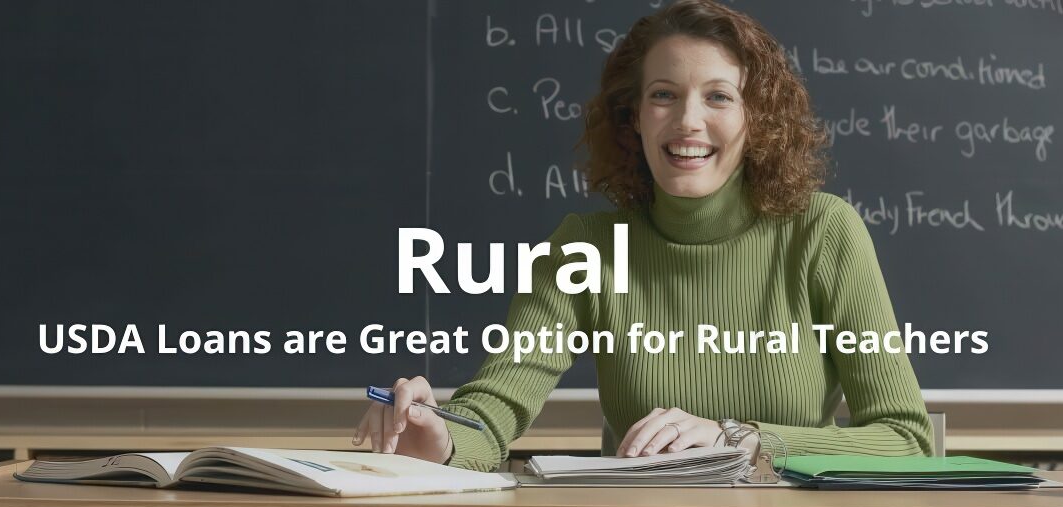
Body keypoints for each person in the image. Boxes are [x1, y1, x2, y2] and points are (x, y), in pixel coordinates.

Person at [354, 0, 932, 471]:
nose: (687, 121)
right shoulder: (587, 248)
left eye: (718, 96)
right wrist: (439, 434)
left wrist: (742, 438)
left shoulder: (823, 233)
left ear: (757, 117)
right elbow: (497, 405)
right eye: (663, 94)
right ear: (633, 116)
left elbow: (908, 440)